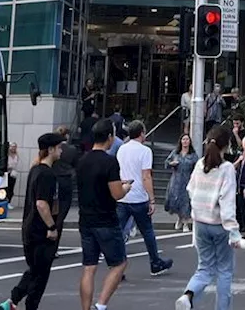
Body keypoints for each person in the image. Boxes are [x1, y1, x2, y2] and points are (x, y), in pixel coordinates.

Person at [175, 126, 244, 310]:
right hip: (219, 224)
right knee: (224, 271)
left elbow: (190, 190)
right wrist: (234, 231)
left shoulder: (200, 165)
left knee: (204, 267)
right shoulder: (227, 168)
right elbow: (227, 202)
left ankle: (188, 295)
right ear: (227, 145)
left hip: (200, 222)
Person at [0, 133, 64, 310]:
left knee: (36, 270)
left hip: (30, 229)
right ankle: (19, 301)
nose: (61, 151)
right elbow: (42, 204)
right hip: (40, 231)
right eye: (59, 147)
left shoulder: (35, 170)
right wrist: (51, 226)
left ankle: (13, 301)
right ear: (50, 149)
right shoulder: (46, 174)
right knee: (40, 274)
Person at [78, 119, 135, 310]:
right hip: (106, 220)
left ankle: (85, 308)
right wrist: (126, 187)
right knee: (119, 264)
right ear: (110, 137)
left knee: (89, 267)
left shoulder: (82, 160)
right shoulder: (110, 161)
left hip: (85, 219)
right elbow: (117, 194)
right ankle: (100, 305)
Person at [115, 120, 173, 275]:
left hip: (123, 196)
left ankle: (117, 266)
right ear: (141, 133)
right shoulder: (145, 151)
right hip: (138, 196)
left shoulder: (122, 149)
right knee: (147, 231)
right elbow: (146, 175)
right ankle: (155, 262)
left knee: (119, 232)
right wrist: (152, 199)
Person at [166, 134, 198, 233]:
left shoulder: (193, 155)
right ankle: (180, 218)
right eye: (183, 139)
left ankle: (185, 223)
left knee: (186, 201)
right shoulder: (175, 153)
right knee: (177, 201)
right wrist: (171, 164)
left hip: (187, 180)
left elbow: (197, 167)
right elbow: (167, 162)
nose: (185, 141)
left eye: (187, 139)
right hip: (176, 180)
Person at [55, 126, 79, 227]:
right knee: (64, 206)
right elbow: (76, 164)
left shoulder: (54, 150)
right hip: (67, 179)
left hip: (55, 177)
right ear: (67, 136)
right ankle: (59, 223)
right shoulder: (72, 149)